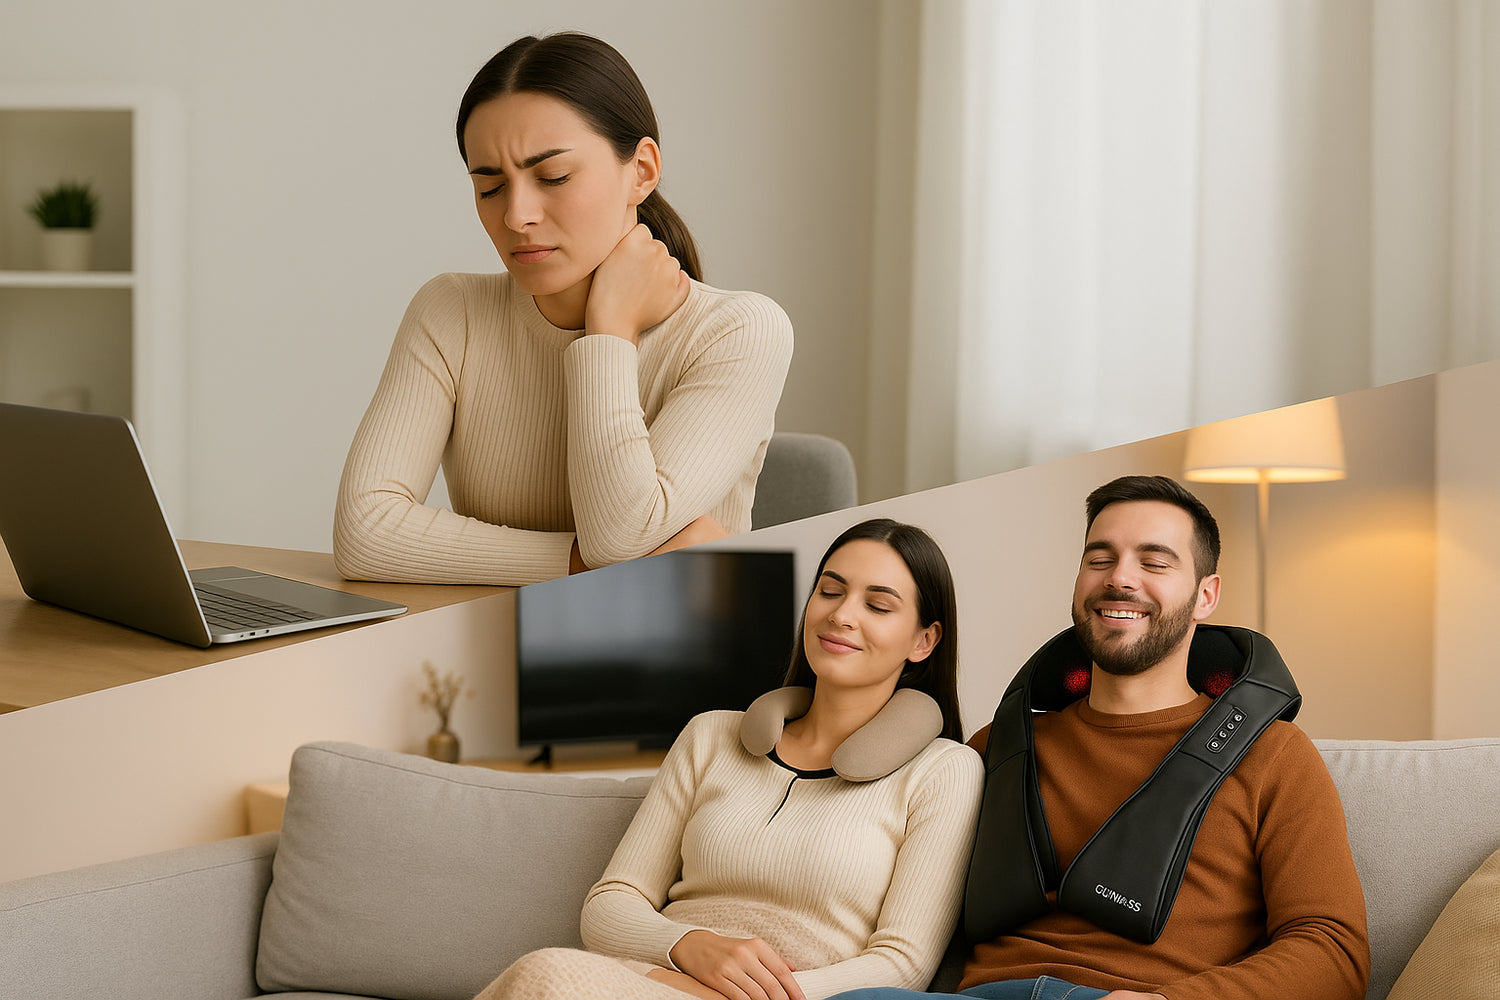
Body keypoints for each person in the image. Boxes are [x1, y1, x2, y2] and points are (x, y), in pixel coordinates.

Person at [830, 475, 1369, 1000]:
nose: (1120, 579)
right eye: (1099, 558)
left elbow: (1334, 951)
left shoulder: (1274, 756)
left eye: (1154, 562)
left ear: (1206, 595)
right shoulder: (996, 748)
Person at [333, 32, 793, 586]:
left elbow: (620, 534)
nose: (516, 215)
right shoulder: (451, 311)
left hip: (684, 665)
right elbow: (364, 534)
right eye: (490, 187)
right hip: (487, 651)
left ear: (642, 170)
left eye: (553, 177)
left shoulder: (738, 331)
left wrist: (610, 330)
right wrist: (578, 563)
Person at [475, 519, 985, 1000]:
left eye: (878, 605)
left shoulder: (943, 772)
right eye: (829, 591)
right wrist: (689, 945)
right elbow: (610, 904)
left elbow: (904, 963)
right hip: (657, 978)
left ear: (924, 641)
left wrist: (764, 994)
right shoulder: (711, 736)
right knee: (543, 977)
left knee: (544, 978)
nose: (842, 615)